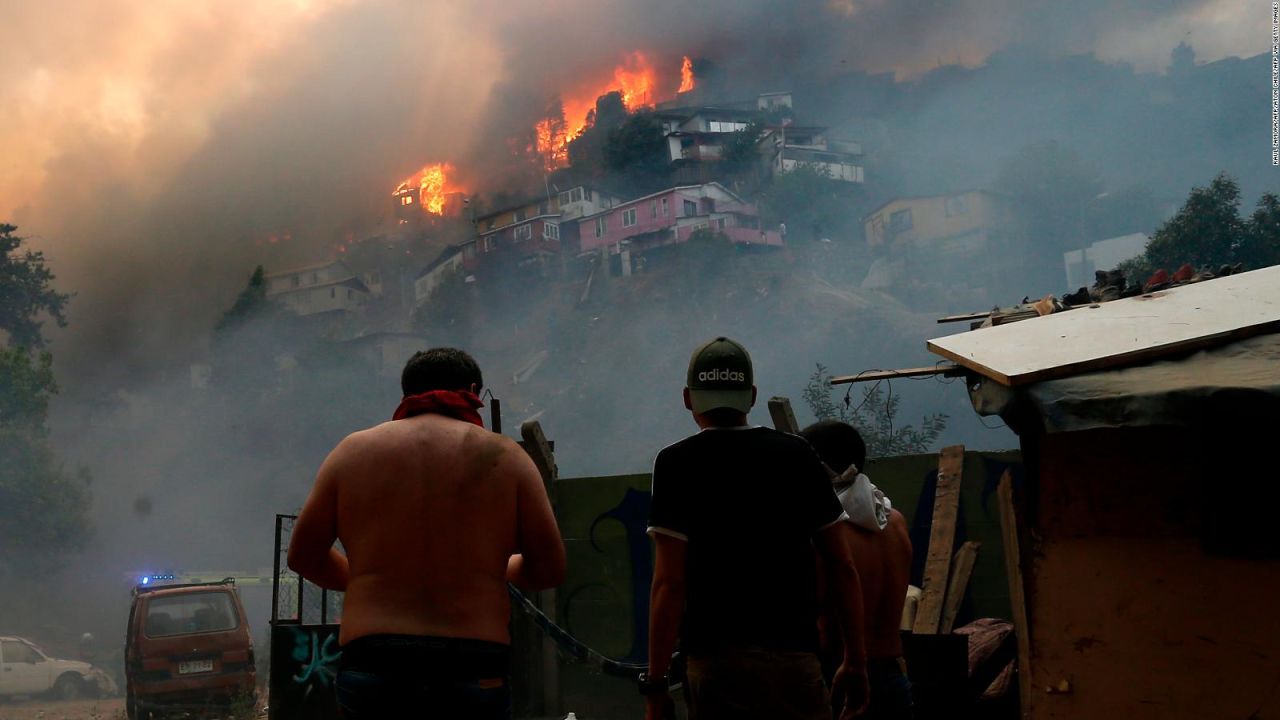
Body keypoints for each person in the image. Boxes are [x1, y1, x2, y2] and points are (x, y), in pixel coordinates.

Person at [288, 347, 565, 720]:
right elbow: (548, 568)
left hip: (375, 659)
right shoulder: (507, 457)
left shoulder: (352, 452)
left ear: (406, 394)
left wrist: (370, 579)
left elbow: (303, 555)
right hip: (473, 663)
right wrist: (491, 570)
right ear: (472, 390)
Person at [642, 337, 869, 720]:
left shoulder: (676, 464)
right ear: (751, 396)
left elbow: (669, 584)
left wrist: (656, 685)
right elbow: (842, 565)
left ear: (688, 399)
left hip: (715, 670)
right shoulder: (797, 454)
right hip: (795, 665)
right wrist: (856, 661)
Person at [801, 420, 915, 720]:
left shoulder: (826, 536)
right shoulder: (896, 522)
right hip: (892, 674)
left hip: (843, 676)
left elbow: (809, 611)